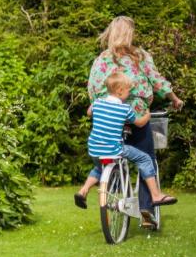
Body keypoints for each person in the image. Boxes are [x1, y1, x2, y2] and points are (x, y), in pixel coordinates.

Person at [85, 16, 184, 225]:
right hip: (136, 115)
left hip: (109, 117)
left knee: (110, 155)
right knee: (146, 158)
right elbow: (157, 81)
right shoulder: (139, 56)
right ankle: (147, 208)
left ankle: (111, 191)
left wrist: (99, 108)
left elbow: (92, 89)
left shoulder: (101, 59)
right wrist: (174, 98)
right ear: (129, 33)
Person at [74, 71, 177, 208]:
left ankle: (83, 191)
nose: (129, 94)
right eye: (129, 91)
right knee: (145, 158)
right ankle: (156, 195)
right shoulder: (124, 109)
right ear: (120, 91)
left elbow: (88, 112)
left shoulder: (98, 102)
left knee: (99, 168)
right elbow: (139, 123)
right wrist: (147, 114)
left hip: (94, 149)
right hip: (114, 148)